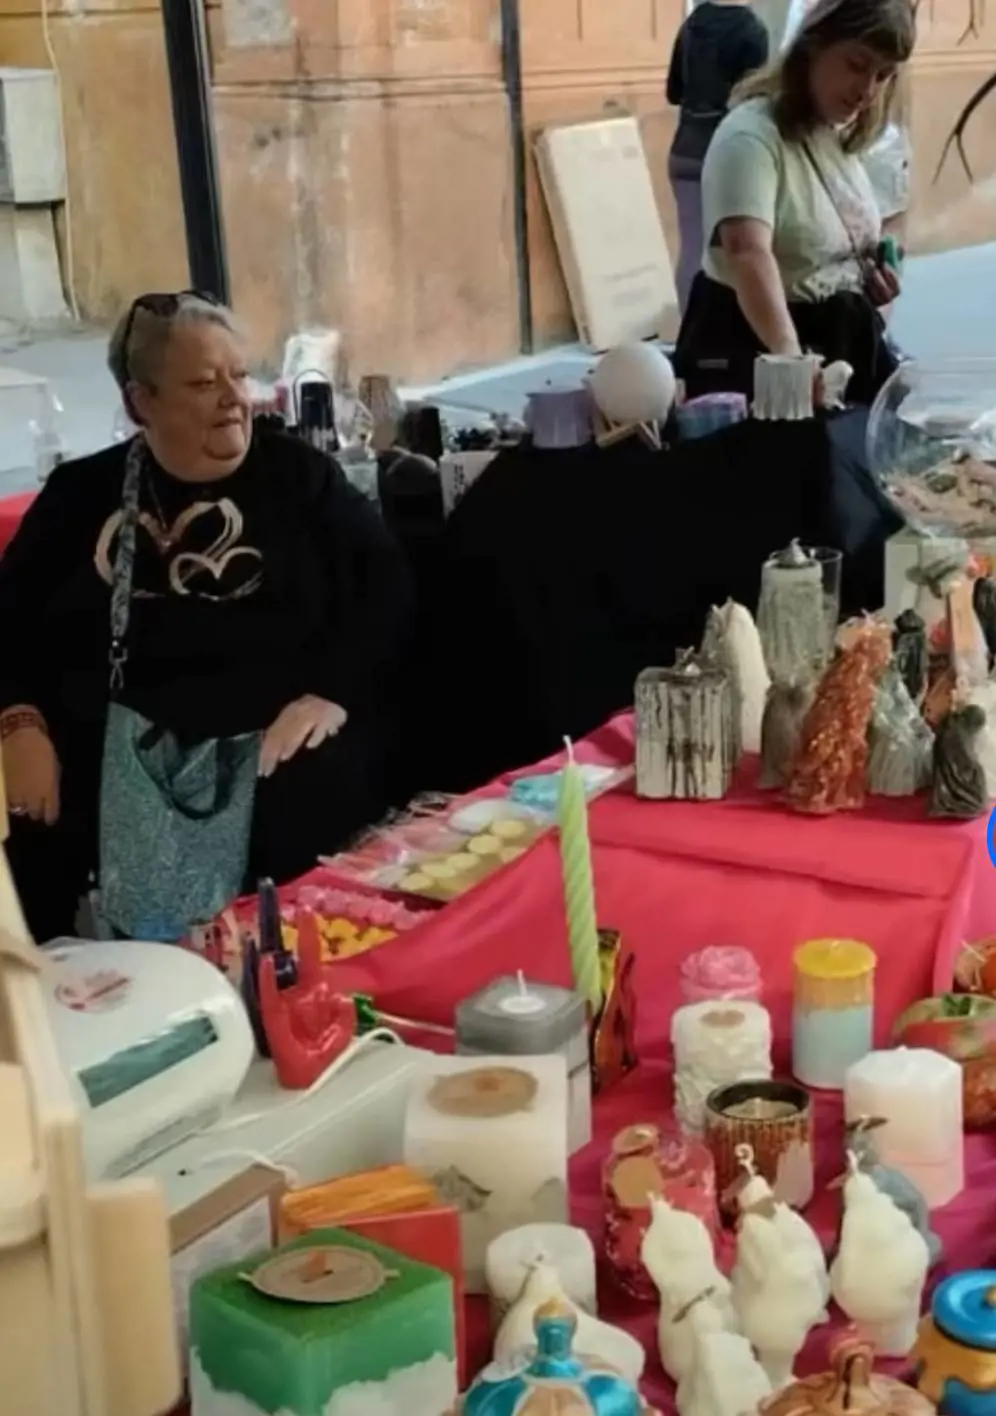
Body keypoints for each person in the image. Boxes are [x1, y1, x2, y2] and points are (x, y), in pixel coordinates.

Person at [0, 292, 413, 943]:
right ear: (141, 402)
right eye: (202, 383)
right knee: (33, 818)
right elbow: (8, 621)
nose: (233, 399)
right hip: (118, 756)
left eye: (238, 376)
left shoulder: (298, 476)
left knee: (317, 791)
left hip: (272, 749)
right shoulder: (80, 496)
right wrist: (18, 723)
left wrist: (331, 693)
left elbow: (385, 588)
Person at [672, 0, 915, 404]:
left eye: (883, 76)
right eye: (857, 65)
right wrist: (790, 359)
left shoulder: (830, 135)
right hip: (754, 355)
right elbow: (747, 252)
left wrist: (870, 282)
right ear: (814, 45)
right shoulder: (750, 136)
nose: (868, 91)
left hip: (835, 350)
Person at [666, 0, 770, 313]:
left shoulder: (690, 26)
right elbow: (755, 99)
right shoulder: (752, 30)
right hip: (729, 155)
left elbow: (673, 93)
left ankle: (689, 328)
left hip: (685, 151)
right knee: (736, 255)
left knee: (692, 250)